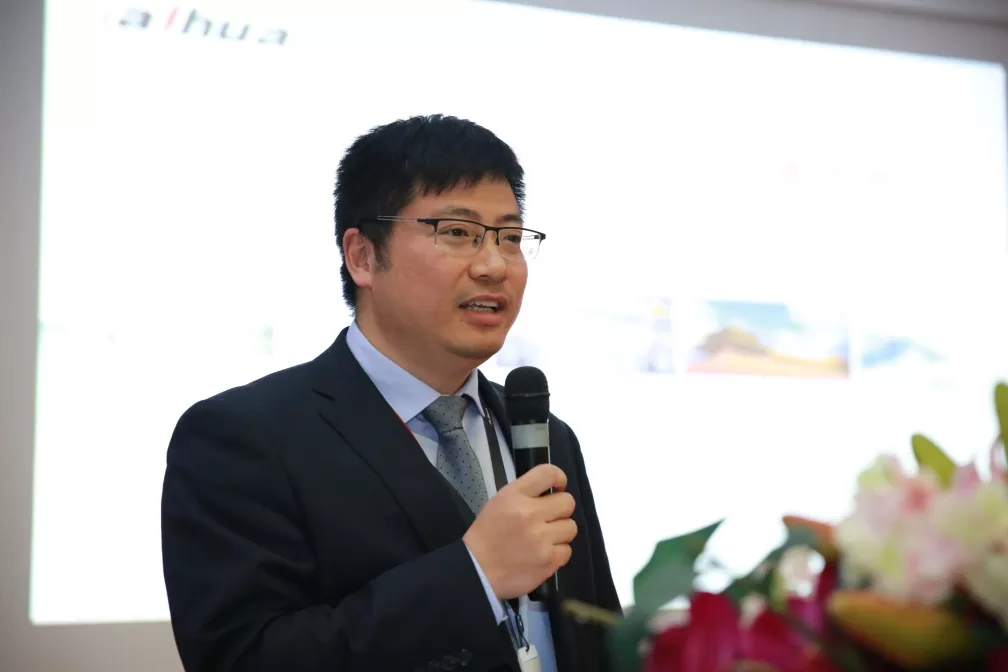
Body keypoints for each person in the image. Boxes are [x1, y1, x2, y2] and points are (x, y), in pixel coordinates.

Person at [161, 114, 621, 672]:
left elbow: (599, 639)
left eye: (510, 237)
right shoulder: (244, 437)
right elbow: (244, 658)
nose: (494, 265)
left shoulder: (549, 438)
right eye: (458, 232)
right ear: (361, 256)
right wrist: (473, 576)